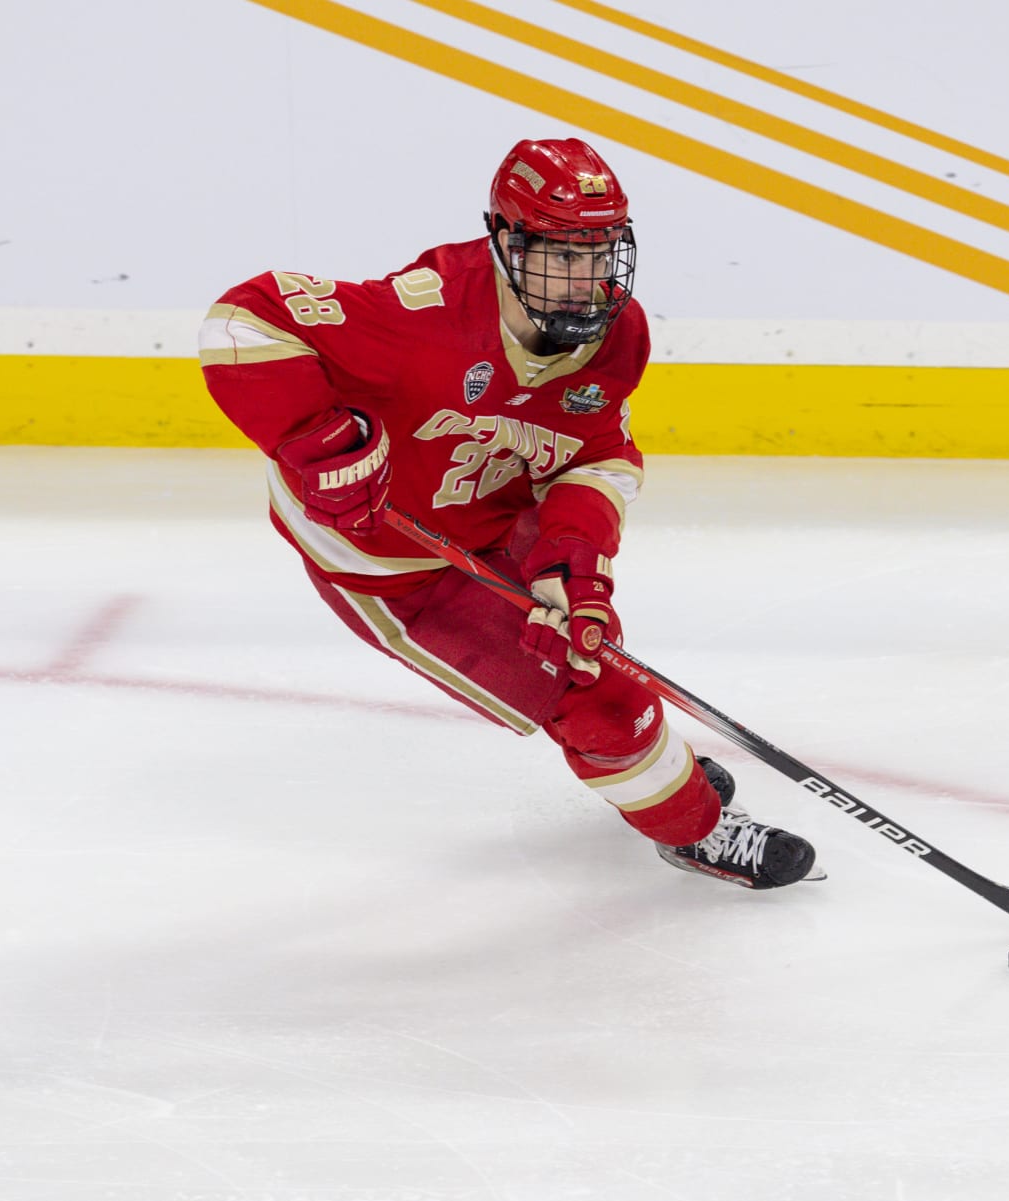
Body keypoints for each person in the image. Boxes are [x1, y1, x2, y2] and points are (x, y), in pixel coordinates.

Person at [198, 137, 820, 889]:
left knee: (594, 651)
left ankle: (645, 763)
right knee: (601, 705)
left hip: (498, 512)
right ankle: (691, 824)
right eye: (560, 254)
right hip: (396, 564)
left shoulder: (617, 335)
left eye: (599, 252)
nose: (584, 280)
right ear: (503, 240)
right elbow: (242, 320)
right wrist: (316, 442)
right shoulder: (418, 316)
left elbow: (596, 459)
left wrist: (574, 557)